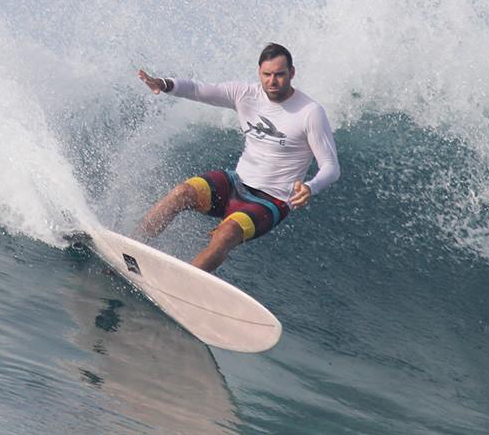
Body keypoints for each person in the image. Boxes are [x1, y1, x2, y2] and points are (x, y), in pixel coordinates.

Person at [138, 43, 340, 273]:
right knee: (181, 193)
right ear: (258, 72)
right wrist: (163, 84)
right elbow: (197, 89)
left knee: (227, 233)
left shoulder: (310, 112)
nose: (272, 81)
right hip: (236, 182)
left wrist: (310, 187)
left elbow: (331, 166)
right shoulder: (245, 94)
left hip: (272, 200)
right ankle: (130, 247)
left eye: (279, 74)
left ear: (292, 73)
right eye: (266, 74)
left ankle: (182, 285)